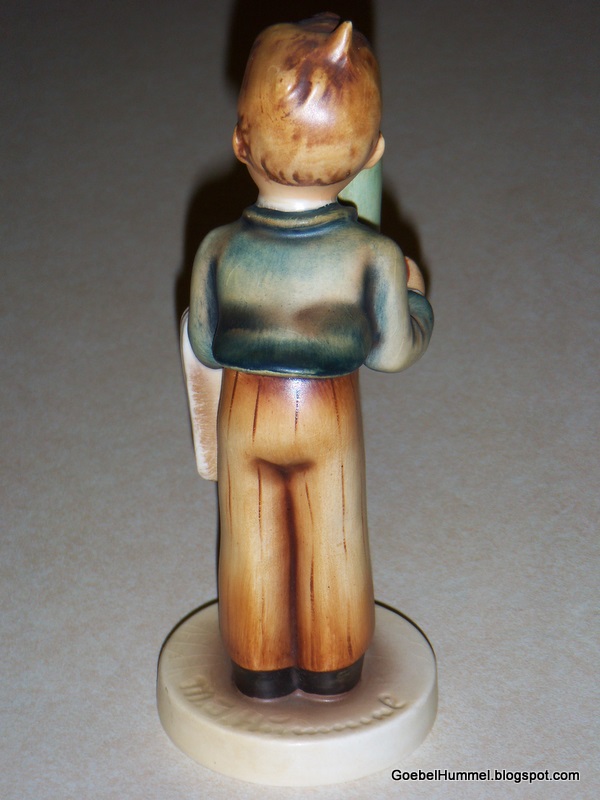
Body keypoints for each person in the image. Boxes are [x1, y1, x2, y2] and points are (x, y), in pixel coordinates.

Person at [184, 13, 433, 698]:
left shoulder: (218, 249)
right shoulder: (372, 254)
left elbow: (203, 342)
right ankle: (332, 664)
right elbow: (392, 353)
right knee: (333, 537)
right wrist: (416, 300)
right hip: (326, 415)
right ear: (372, 152)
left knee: (251, 537)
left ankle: (258, 664)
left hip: (245, 413)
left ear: (241, 140)